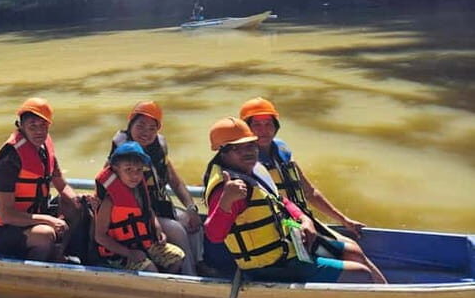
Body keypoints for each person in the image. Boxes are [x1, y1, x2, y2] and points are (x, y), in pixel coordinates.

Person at [203, 117, 386, 283]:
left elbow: (280, 200)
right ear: (222, 152)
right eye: (237, 148)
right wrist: (226, 202)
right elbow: (214, 235)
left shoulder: (255, 171)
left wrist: (304, 219)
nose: (248, 152)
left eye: (250, 145)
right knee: (360, 274)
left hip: (290, 248)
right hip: (270, 266)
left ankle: (386, 294)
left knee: (352, 252)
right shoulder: (227, 188)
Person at [239, 97, 367, 239]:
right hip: (278, 225)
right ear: (246, 128)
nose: (264, 130)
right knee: (352, 251)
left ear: (276, 127)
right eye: (256, 125)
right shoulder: (244, 162)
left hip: (299, 219)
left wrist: (344, 220)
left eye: (268, 124)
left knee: (352, 247)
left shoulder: (281, 150)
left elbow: (310, 192)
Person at [0, 97, 85, 262]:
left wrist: (79, 202)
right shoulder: (10, 158)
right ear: (21, 126)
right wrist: (48, 220)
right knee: (45, 235)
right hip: (5, 229)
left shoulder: (45, 147)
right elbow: (6, 215)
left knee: (74, 206)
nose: (39, 131)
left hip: (36, 215)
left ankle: (58, 255)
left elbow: (61, 184)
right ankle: (33, 272)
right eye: (33, 126)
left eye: (43, 126)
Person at [110, 101, 201, 275]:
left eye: (152, 128)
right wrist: (154, 221)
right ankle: (191, 277)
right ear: (131, 125)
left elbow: (175, 182)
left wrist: (191, 208)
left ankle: (198, 265)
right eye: (141, 126)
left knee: (194, 224)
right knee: (177, 230)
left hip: (159, 207)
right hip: (138, 215)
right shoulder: (121, 155)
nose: (146, 132)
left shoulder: (158, 149)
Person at [94, 141, 185, 273]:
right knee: (150, 269)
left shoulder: (140, 191)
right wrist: (129, 253)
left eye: (139, 170)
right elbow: (100, 236)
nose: (135, 175)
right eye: (128, 170)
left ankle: (163, 286)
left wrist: (158, 229)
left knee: (177, 257)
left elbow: (148, 211)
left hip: (143, 244)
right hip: (118, 253)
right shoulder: (110, 201)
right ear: (116, 169)